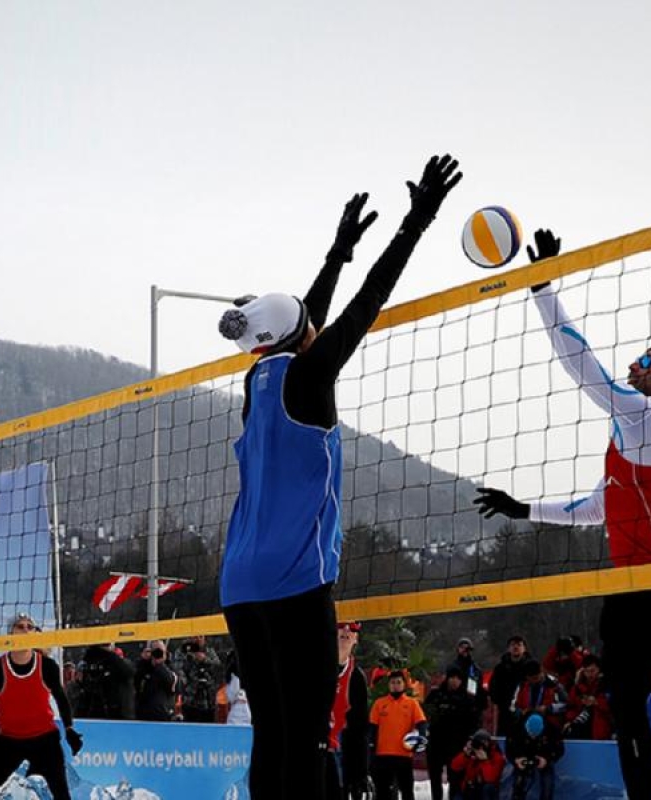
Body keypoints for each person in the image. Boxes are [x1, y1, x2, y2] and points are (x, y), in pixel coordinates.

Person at [218, 155, 462, 800]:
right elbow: (364, 306)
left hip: (239, 582)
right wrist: (416, 221)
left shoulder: (257, 381)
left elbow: (310, 322)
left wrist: (338, 250)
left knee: (270, 733)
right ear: (304, 337)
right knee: (305, 736)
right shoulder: (309, 375)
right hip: (294, 582)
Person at [475, 228, 651, 800]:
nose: (633, 366)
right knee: (631, 717)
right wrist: (523, 507)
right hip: (631, 591)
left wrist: (542, 288)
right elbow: (594, 508)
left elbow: (583, 368)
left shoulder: (650, 418)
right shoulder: (628, 440)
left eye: (644, 360)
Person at [0, 613, 82, 800]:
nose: (26, 630)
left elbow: (61, 699)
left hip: (44, 739)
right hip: (7, 740)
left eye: (30, 627)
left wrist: (69, 729)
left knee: (62, 794)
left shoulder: (47, 666)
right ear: (10, 634)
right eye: (20, 626)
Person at [369, 670, 429, 800]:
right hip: (383, 755)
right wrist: (371, 747)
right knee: (382, 791)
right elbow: (372, 727)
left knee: (407, 790)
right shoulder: (379, 704)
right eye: (392, 682)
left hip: (404, 755)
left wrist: (422, 736)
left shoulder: (412, 704)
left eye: (398, 682)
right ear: (388, 685)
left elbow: (421, 723)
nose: (395, 685)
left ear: (404, 685)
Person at [326, 622, 369, 800]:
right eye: (341, 625)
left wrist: (361, 772)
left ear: (356, 639)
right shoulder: (314, 669)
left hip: (342, 749)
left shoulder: (357, 677)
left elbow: (360, 728)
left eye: (352, 627)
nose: (346, 630)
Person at [424, 666, 481, 800]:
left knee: (455, 778)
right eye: (452, 677)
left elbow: (475, 722)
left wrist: (470, 740)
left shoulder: (467, 699)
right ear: (447, 678)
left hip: (457, 744)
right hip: (436, 742)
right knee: (435, 777)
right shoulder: (435, 695)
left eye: (457, 678)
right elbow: (424, 714)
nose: (454, 681)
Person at [505, 713, 564, 800]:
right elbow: (508, 750)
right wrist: (515, 760)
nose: (533, 737)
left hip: (544, 755)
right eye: (531, 734)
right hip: (522, 755)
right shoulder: (515, 728)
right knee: (518, 781)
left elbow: (560, 750)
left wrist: (547, 759)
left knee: (548, 782)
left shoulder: (552, 729)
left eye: (536, 735)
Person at [74, 642, 135, 720]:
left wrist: (109, 656)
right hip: (97, 711)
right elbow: (88, 687)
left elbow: (129, 672)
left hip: (118, 712)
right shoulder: (93, 665)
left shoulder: (118, 664)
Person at [488, 635, 531, 735]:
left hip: (526, 711)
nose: (516, 647)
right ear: (508, 648)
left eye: (519, 645)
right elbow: (493, 687)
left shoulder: (531, 667)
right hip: (505, 712)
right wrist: (499, 700)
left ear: (524, 648)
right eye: (513, 645)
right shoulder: (500, 668)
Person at [509, 660, 567, 732]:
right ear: (527, 677)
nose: (536, 680)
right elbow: (512, 706)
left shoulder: (554, 684)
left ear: (541, 672)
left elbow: (566, 705)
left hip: (549, 725)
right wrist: (521, 712)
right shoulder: (522, 685)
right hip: (526, 724)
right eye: (533, 678)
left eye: (537, 677)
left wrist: (548, 709)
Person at [564, 654, 611, 740]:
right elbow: (571, 707)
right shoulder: (577, 688)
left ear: (599, 669)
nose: (589, 675)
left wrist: (596, 702)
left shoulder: (606, 686)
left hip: (601, 731)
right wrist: (569, 721)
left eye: (592, 671)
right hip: (580, 730)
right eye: (586, 671)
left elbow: (612, 708)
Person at [448, 730, 505, 800]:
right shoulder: (472, 753)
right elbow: (454, 766)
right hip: (470, 789)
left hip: (486, 791)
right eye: (479, 743)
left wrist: (485, 761)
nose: (481, 747)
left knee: (488, 787)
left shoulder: (497, 757)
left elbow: (490, 779)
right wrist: (465, 755)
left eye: (484, 743)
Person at [178, 637, 223, 723]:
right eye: (195, 637)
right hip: (190, 700)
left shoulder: (209, 652)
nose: (198, 639)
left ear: (205, 639)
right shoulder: (184, 652)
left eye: (200, 637)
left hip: (209, 701)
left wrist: (205, 660)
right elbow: (179, 670)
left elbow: (218, 670)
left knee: (209, 730)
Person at [135, 640, 180, 722]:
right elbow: (135, 683)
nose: (157, 653)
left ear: (165, 652)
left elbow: (173, 686)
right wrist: (143, 661)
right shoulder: (144, 667)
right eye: (155, 650)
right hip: (143, 715)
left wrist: (160, 665)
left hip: (163, 715)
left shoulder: (170, 668)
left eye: (160, 651)